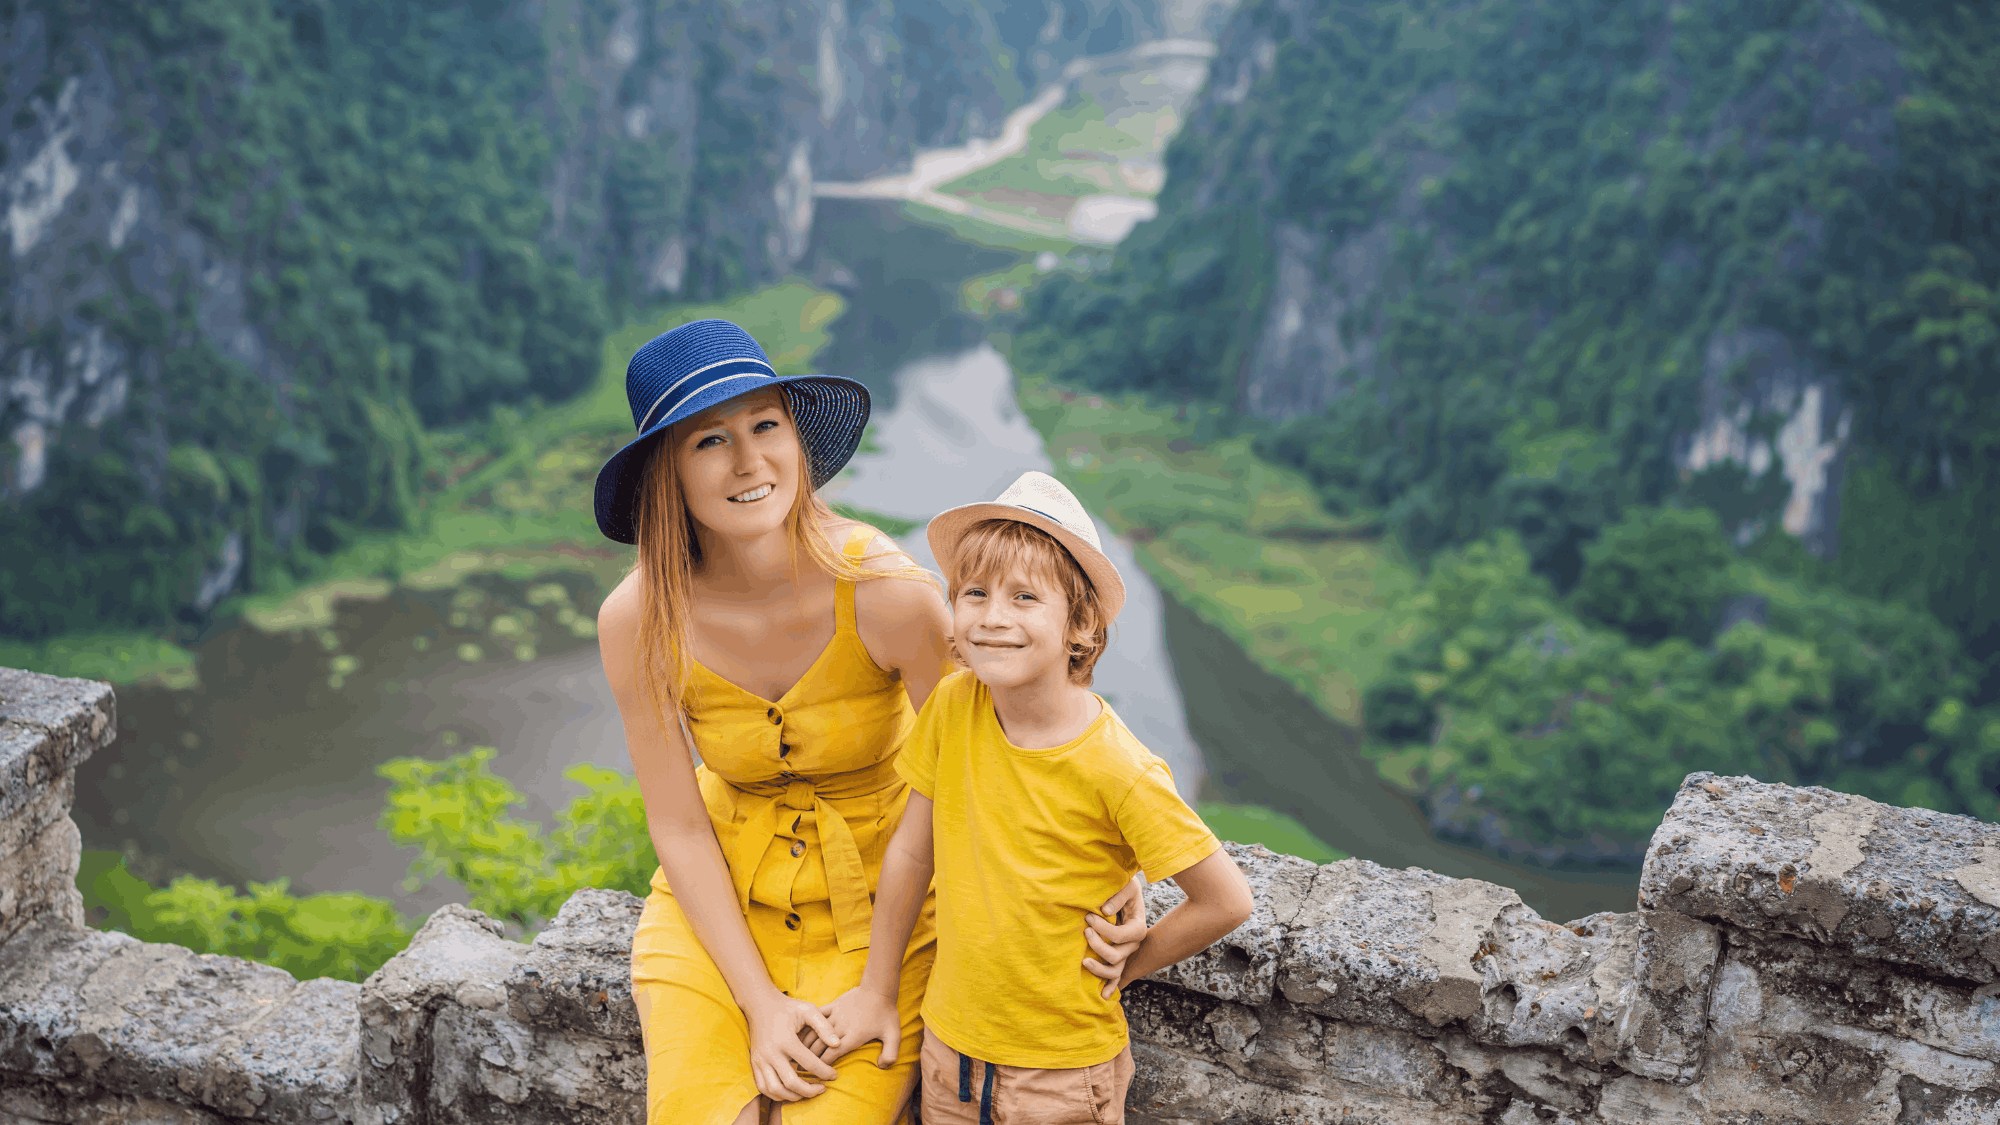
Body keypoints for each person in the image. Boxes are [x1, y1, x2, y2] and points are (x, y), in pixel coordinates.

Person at [591, 321, 1148, 1124]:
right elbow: (677, 825)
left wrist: (1109, 865)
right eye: (711, 440)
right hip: (714, 918)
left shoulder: (881, 589)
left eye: (766, 426)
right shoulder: (638, 617)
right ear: (667, 474)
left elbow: (1004, 746)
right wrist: (760, 1005)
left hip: (883, 914)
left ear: (796, 438)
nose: (750, 462)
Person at [816, 470, 1255, 1123]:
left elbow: (1225, 898)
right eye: (976, 592)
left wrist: (1132, 962)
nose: (993, 616)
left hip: (1060, 1075)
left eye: (1025, 597)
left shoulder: (1115, 764)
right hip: (950, 1054)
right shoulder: (952, 705)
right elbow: (912, 851)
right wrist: (878, 988)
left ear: (1079, 624)